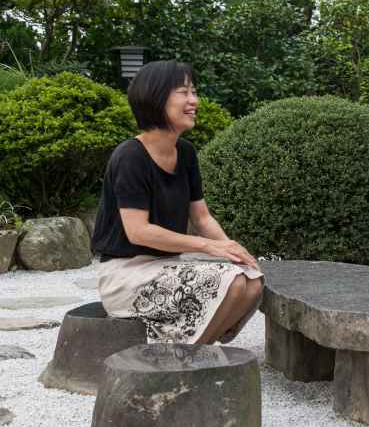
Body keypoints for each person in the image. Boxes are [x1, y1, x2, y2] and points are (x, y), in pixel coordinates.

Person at [91, 60, 263, 345]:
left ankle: (189, 349)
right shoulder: (130, 157)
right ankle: (183, 358)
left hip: (167, 267)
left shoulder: (185, 153)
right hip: (126, 275)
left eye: (194, 92)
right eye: (184, 92)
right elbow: (138, 231)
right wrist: (208, 246)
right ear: (156, 97)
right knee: (232, 284)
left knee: (252, 282)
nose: (194, 100)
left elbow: (202, 218)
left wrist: (231, 249)